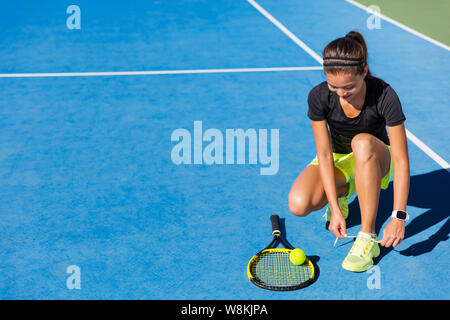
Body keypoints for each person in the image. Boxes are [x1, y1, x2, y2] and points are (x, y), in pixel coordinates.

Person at [288, 31, 410, 272]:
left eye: (349, 88)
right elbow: (324, 154)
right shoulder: (318, 96)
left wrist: (398, 217)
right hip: (339, 159)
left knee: (362, 142)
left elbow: (401, 158)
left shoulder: (385, 95)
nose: (341, 94)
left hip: (377, 157)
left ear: (364, 72)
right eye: (334, 87)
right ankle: (346, 192)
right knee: (299, 204)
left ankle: (367, 236)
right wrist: (334, 207)